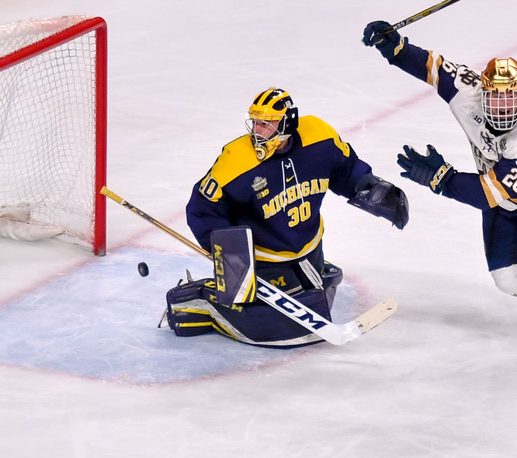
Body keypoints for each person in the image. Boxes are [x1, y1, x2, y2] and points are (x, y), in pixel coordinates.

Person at [362, 21, 517, 353]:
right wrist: (394, 47)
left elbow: (487, 194)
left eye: (512, 100)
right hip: (505, 200)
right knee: (508, 280)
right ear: (483, 91)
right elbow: (432, 66)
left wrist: (442, 178)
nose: (504, 109)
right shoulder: (468, 90)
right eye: (496, 99)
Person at [165, 87, 408, 346]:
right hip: (262, 259)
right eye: (256, 124)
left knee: (317, 299)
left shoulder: (319, 136)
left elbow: (345, 169)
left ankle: (306, 277)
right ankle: (203, 301)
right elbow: (202, 209)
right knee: (274, 326)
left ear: (287, 123)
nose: (258, 132)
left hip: (310, 246)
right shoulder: (237, 160)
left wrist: (369, 187)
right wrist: (229, 253)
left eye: (266, 125)